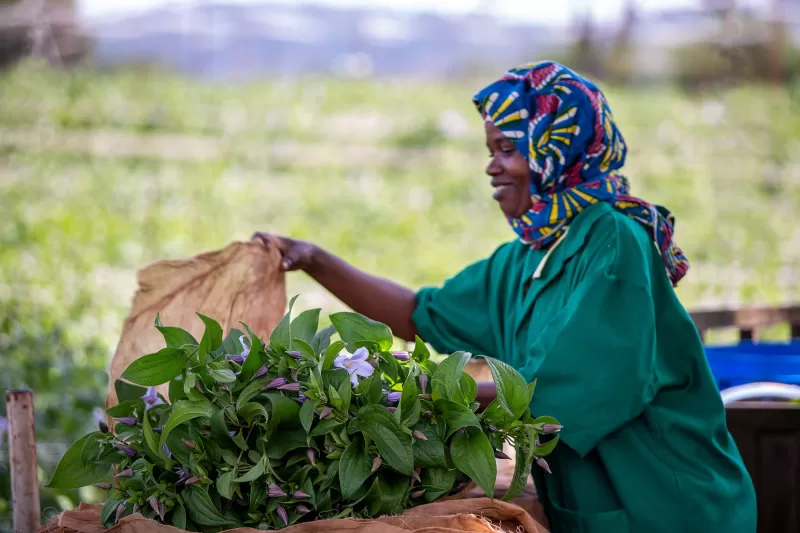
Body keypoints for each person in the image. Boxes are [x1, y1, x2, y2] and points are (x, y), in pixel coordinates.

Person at [254, 61, 757, 533]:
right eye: (490, 151)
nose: (492, 167)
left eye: (507, 149)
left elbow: (574, 389)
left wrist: (414, 396)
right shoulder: (527, 258)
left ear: (555, 149)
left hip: (669, 503)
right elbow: (418, 313)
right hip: (605, 507)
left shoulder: (615, 242)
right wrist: (313, 258)